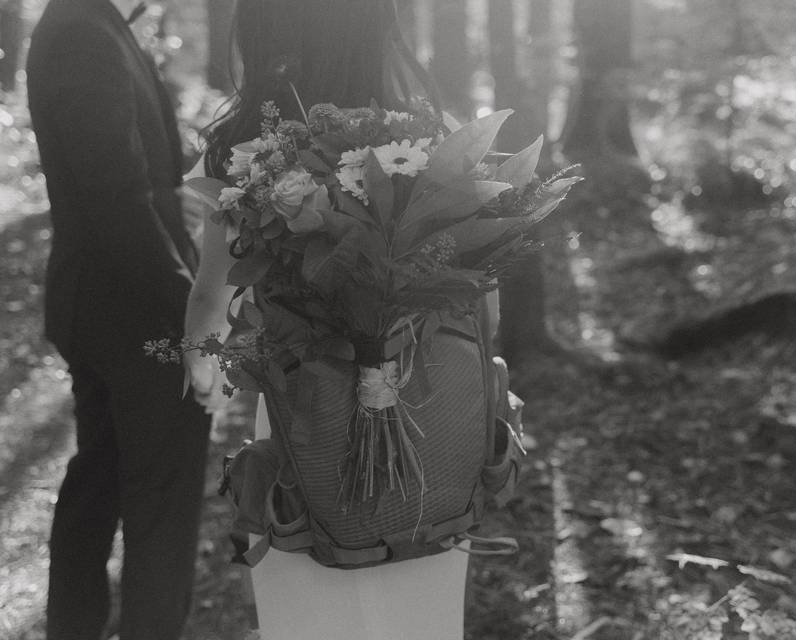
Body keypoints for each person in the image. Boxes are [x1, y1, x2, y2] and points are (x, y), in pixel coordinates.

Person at [183, 2, 497, 638]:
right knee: (419, 598)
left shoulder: (246, 154)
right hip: (430, 402)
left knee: (314, 585)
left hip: (305, 404)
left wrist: (199, 363)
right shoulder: (438, 138)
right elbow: (483, 292)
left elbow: (209, 299)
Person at [26, 0, 214, 637]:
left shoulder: (89, 23)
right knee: (161, 503)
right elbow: (109, 192)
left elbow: (112, 169)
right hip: (134, 310)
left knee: (98, 481)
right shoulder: (83, 32)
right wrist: (188, 304)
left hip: (106, 299)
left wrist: (169, 196)